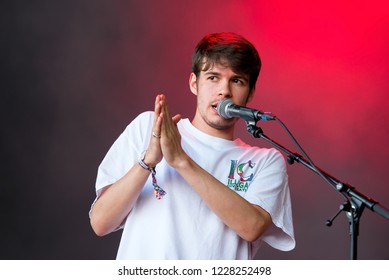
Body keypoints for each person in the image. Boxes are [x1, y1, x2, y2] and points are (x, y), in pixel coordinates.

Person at [89, 32, 295, 259]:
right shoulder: (151, 126)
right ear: (194, 83)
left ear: (250, 93)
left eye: (237, 80)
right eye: (213, 77)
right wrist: (148, 160)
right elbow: (100, 223)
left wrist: (180, 160)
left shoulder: (264, 160)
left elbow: (252, 227)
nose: (224, 91)